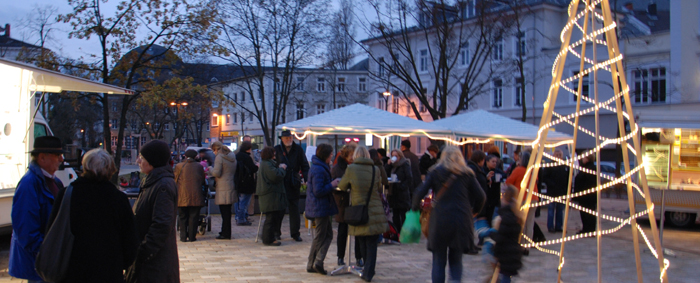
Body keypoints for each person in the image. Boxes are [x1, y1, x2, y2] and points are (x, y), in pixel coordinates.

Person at [46, 149, 139, 282]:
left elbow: (52, 230)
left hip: (71, 271)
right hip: (108, 272)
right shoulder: (118, 199)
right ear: (110, 169)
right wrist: (119, 263)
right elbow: (130, 241)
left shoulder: (67, 195)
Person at [411, 146, 486, 283]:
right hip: (461, 219)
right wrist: (474, 211)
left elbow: (419, 193)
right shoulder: (467, 174)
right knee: (456, 261)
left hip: (440, 219)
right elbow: (481, 196)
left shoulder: (435, 173)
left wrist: (415, 208)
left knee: (438, 260)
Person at [9, 136, 66, 281]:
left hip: (46, 264)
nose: (61, 159)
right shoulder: (29, 184)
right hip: (38, 266)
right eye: (57, 155)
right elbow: (26, 233)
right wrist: (50, 253)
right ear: (42, 158)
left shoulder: (55, 182)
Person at [128, 140, 179, 282]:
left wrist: (141, 252)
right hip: (151, 263)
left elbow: (161, 225)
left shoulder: (162, 186)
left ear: (152, 161)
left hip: (155, 267)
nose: (138, 160)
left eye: (142, 157)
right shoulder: (154, 182)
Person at [338, 146, 388, 282]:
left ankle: (366, 268)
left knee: (361, 239)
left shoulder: (351, 169)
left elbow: (342, 186)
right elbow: (378, 187)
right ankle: (369, 271)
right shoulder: (375, 169)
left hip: (358, 209)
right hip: (374, 209)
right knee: (372, 242)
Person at [305, 144, 340, 275]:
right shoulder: (319, 169)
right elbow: (318, 191)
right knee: (321, 235)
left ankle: (315, 262)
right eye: (331, 154)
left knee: (325, 235)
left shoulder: (319, 167)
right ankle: (315, 262)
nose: (332, 156)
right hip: (320, 206)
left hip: (321, 206)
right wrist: (332, 185)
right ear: (325, 155)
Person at [274, 130, 310, 242]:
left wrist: (307, 179)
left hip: (294, 181)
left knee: (294, 209)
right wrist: (278, 166)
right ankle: (276, 232)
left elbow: (304, 165)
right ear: (282, 139)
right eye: (286, 138)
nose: (288, 140)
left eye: (290, 138)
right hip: (281, 181)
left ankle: (295, 233)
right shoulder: (277, 149)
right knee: (279, 209)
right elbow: (272, 163)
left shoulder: (298, 149)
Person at [332, 144, 362, 266]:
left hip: (355, 202)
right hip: (343, 202)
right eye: (351, 155)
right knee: (343, 231)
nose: (352, 157)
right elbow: (333, 185)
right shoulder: (337, 168)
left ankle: (359, 257)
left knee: (358, 231)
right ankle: (340, 256)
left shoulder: (358, 166)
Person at [505, 152, 538, 243]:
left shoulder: (518, 170)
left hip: (522, 198)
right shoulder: (533, 171)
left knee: (521, 222)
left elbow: (509, 182)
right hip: (534, 198)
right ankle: (527, 245)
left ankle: (521, 242)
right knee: (530, 223)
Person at [257, 146, 287, 246]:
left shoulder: (266, 164)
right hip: (270, 195)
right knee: (271, 218)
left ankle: (268, 237)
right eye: (273, 153)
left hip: (269, 195)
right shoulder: (267, 164)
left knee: (271, 218)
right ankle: (268, 239)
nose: (275, 155)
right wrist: (282, 169)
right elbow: (275, 176)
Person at [493, 185, 524, 283]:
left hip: (505, 254)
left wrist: (495, 252)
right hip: (513, 253)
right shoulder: (517, 215)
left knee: (503, 278)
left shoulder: (504, 217)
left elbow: (501, 238)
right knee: (505, 277)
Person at [175, 149, 206, 242]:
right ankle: (192, 237)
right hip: (196, 195)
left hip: (182, 195)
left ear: (185, 155)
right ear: (195, 156)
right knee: (194, 216)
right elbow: (202, 180)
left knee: (182, 216)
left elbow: (175, 180)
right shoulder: (199, 166)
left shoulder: (179, 166)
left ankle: (183, 237)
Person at [209, 141, 237, 240]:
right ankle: (226, 231)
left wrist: (210, 169)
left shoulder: (219, 157)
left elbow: (216, 173)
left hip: (222, 187)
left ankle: (225, 233)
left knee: (224, 212)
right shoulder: (232, 157)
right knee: (227, 212)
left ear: (216, 149)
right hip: (231, 185)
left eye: (213, 150)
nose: (214, 153)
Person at [385, 149, 413, 233]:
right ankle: (397, 232)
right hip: (393, 192)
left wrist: (402, 186)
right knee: (395, 214)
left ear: (400, 156)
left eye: (396, 156)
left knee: (403, 214)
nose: (394, 158)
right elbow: (385, 173)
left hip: (402, 193)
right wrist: (388, 164)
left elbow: (409, 178)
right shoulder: (393, 166)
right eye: (393, 156)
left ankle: (405, 232)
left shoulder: (405, 164)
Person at [542, 149, 569, 233]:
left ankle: (558, 226)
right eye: (557, 155)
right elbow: (544, 177)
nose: (558, 157)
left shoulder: (564, 166)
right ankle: (550, 226)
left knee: (560, 210)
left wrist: (567, 189)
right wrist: (551, 184)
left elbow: (568, 178)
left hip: (561, 191)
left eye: (559, 155)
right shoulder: (550, 165)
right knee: (551, 209)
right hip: (552, 191)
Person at [235, 141, 258, 226]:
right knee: (244, 202)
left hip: (239, 182)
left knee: (239, 202)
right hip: (247, 183)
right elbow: (253, 169)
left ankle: (239, 217)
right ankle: (242, 218)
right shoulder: (247, 158)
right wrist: (257, 166)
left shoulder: (237, 156)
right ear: (248, 149)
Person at [574, 153, 598, 234]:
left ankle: (590, 229)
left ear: (588, 158)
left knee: (589, 213)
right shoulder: (585, 168)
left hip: (588, 195)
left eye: (584, 157)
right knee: (584, 213)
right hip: (584, 195)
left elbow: (589, 181)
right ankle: (586, 228)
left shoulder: (591, 168)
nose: (582, 159)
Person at [483, 154, 505, 225]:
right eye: (493, 162)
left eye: (496, 162)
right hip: (486, 198)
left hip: (495, 199)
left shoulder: (498, 171)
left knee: (493, 218)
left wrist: (500, 179)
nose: (494, 163)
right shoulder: (483, 171)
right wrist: (487, 179)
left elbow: (505, 176)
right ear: (487, 162)